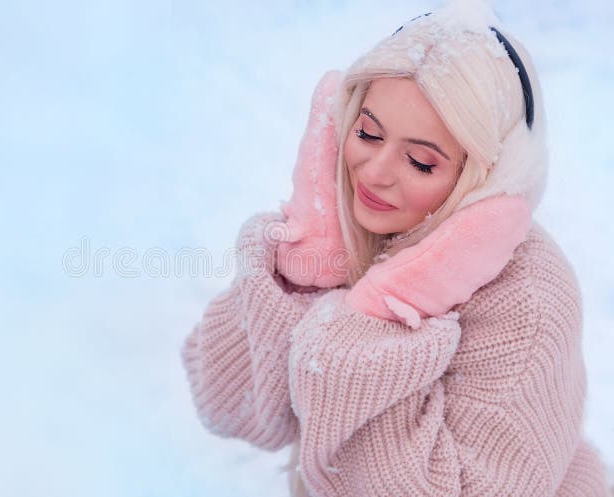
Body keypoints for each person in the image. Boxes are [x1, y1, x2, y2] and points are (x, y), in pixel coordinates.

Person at [180, 1, 613, 495]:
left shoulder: (529, 300)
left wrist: (383, 318)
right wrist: (302, 268)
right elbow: (227, 404)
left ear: (485, 175)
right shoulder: (345, 232)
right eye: (367, 133)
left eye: (420, 162)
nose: (376, 172)